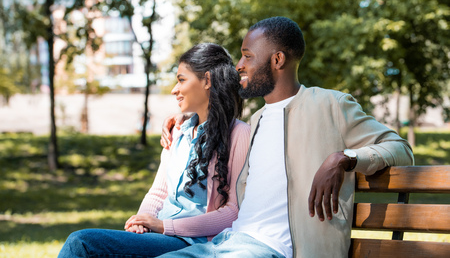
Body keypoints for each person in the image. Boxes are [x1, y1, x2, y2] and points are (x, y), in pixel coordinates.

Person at [159, 16, 414, 258]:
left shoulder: (330, 105)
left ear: (277, 60)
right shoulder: (257, 120)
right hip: (229, 242)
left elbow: (401, 150)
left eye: (247, 56)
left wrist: (343, 158)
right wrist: (184, 121)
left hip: (275, 248)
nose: (239, 65)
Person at [57, 43, 251, 258]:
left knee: (81, 243)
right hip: (157, 234)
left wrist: (164, 226)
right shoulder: (177, 131)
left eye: (181, 80)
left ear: (207, 80)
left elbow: (232, 212)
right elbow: (158, 193)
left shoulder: (239, 134)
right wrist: (141, 222)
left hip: (192, 242)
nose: (174, 89)